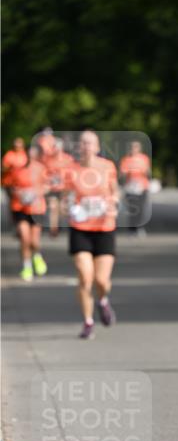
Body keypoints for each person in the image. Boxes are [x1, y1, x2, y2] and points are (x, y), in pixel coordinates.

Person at [58, 130, 119, 339]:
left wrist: (112, 204)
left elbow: (115, 192)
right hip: (80, 229)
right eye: (83, 143)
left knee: (101, 281)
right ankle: (88, 321)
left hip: (104, 228)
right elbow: (64, 198)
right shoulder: (71, 171)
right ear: (79, 147)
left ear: (97, 147)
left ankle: (102, 301)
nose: (86, 147)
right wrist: (69, 209)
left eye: (90, 143)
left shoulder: (107, 167)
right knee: (85, 277)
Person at [5, 144, 49, 280]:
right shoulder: (17, 169)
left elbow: (47, 186)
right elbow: (9, 185)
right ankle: (27, 266)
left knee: (34, 241)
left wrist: (36, 193)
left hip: (37, 208)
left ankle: (37, 255)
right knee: (25, 238)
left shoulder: (41, 169)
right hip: (20, 207)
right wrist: (19, 194)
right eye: (29, 152)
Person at [40, 136, 74, 236]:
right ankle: (53, 229)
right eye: (54, 146)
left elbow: (72, 173)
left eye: (57, 147)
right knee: (53, 207)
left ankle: (60, 225)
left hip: (65, 188)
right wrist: (47, 181)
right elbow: (44, 173)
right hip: (52, 188)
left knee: (62, 210)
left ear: (62, 148)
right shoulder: (48, 160)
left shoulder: (68, 159)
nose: (55, 149)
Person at [119, 140, 151, 234]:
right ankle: (131, 228)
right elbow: (121, 175)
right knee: (132, 208)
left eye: (136, 147)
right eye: (132, 147)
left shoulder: (144, 158)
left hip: (142, 187)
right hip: (130, 187)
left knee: (141, 207)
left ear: (139, 148)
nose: (134, 149)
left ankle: (139, 227)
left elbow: (148, 172)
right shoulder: (126, 159)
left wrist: (145, 171)